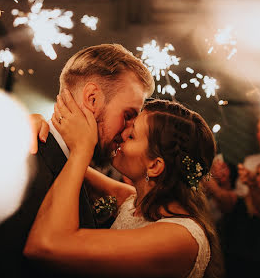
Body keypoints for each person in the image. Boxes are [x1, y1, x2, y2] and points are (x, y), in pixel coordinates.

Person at [0, 44, 155, 278]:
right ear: (92, 99)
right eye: (127, 116)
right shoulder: (26, 161)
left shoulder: (70, 163)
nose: (127, 132)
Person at [24, 97, 223, 278]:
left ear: (154, 166)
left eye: (132, 135)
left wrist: (82, 150)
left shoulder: (181, 239)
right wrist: (40, 128)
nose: (122, 133)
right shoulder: (133, 202)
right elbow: (68, 162)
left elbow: (46, 245)